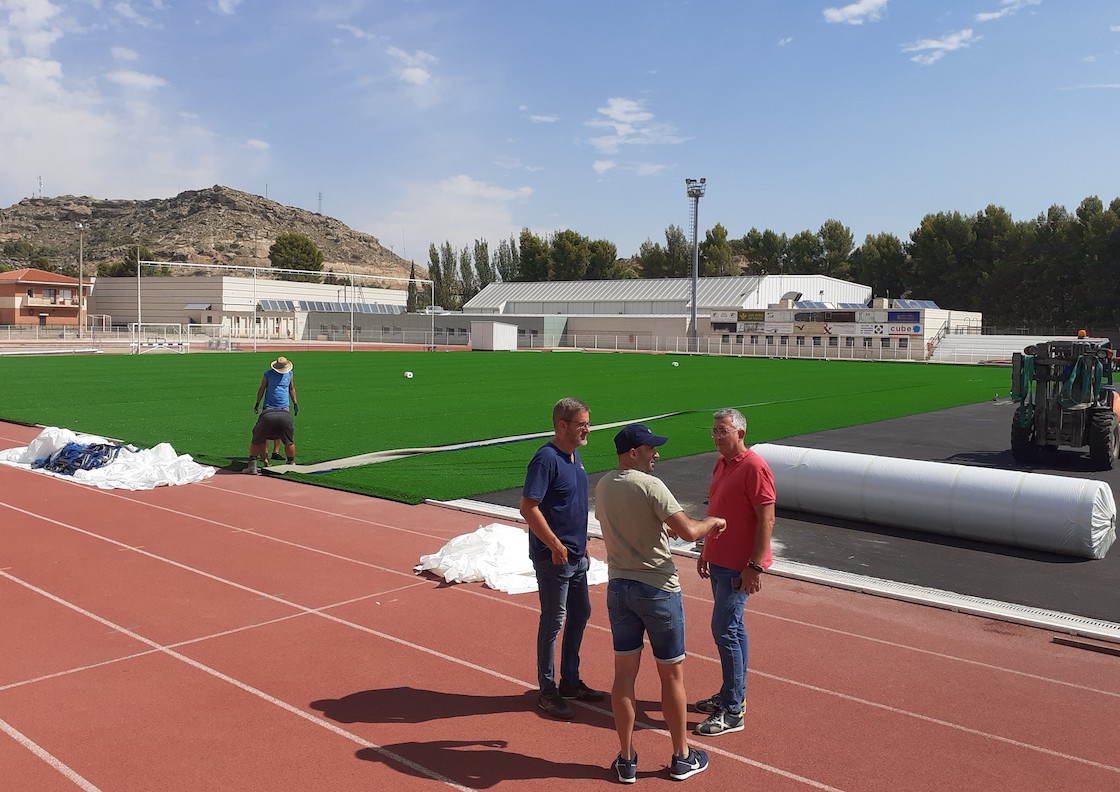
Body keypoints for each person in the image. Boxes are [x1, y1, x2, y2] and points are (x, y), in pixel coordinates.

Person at [595, 424, 726, 783]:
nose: (657, 454)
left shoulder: (604, 484)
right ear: (633, 452)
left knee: (623, 676)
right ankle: (682, 756)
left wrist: (655, 528)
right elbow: (689, 531)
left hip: (619, 588)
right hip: (657, 590)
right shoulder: (651, 485)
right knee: (671, 675)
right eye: (651, 448)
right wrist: (712, 522)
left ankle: (626, 759)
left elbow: (617, 522)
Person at [519, 397, 606, 720]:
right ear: (562, 425)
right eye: (582, 423)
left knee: (581, 612)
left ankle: (570, 680)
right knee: (553, 621)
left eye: (587, 422)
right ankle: (547, 689)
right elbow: (528, 507)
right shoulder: (546, 459)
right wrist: (555, 545)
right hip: (553, 558)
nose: (587, 429)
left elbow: (571, 504)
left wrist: (580, 541)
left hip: (577, 555)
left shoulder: (573, 456)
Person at [694, 407, 775, 736]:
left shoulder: (754, 466)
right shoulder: (722, 463)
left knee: (724, 629)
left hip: (739, 567)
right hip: (719, 561)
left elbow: (766, 518)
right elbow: (717, 509)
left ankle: (732, 711)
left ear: (740, 433)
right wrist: (706, 550)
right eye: (713, 431)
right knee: (734, 629)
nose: (716, 436)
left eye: (722, 431)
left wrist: (754, 566)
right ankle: (732, 694)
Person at [244, 356, 299, 475]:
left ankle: (272, 454)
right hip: (269, 406)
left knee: (276, 434)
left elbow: (291, 389)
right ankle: (270, 457)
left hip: (283, 407)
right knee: (267, 435)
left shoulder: (289, 374)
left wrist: (295, 403)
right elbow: (262, 388)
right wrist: (258, 402)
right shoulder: (267, 374)